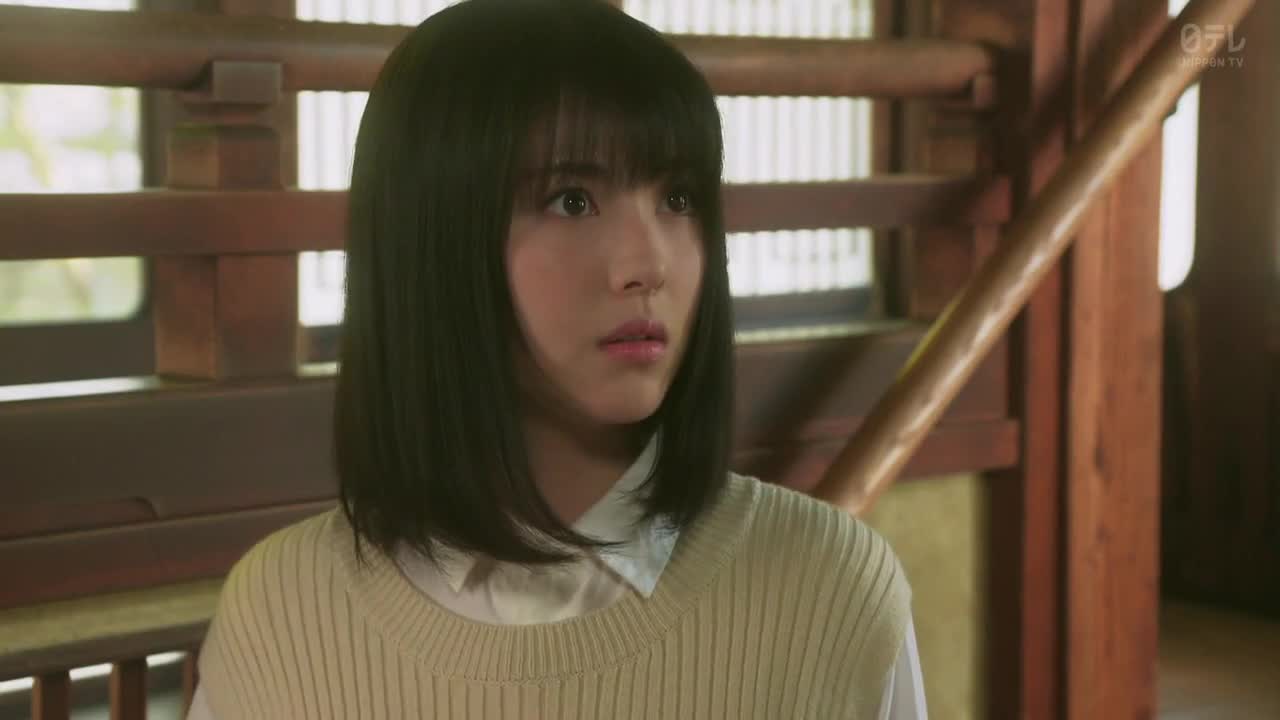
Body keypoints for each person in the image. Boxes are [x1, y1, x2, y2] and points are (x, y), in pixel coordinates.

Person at [187, 0, 925, 717]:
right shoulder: (283, 617)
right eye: (572, 200)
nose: (648, 265)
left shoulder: (830, 589)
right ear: (431, 241)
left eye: (678, 199)